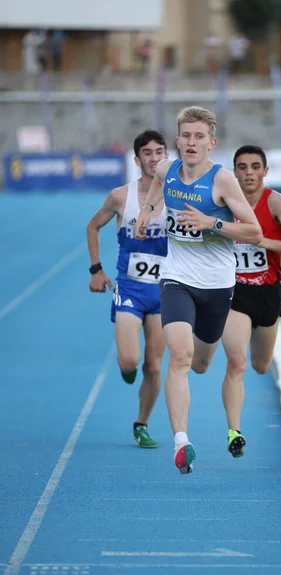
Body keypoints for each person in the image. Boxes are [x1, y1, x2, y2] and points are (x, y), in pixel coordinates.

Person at [134, 106, 262, 474]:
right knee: (180, 356)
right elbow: (156, 184)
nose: (191, 143)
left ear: (211, 143)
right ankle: (181, 442)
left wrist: (211, 222)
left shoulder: (222, 181)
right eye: (186, 136)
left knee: (203, 363)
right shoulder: (166, 168)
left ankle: (190, 426)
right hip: (176, 278)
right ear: (177, 141)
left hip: (218, 285)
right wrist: (147, 210)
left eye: (199, 137)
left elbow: (254, 232)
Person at [222, 145, 281, 458]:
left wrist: (261, 241)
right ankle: (234, 431)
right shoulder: (224, 201)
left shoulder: (275, 201)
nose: (248, 172)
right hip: (235, 293)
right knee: (237, 362)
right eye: (242, 167)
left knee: (260, 366)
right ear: (234, 171)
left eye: (255, 166)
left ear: (265, 171)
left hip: (268, 292)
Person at [86, 130, 168, 449]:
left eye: (159, 151)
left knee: (154, 365)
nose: (154, 157)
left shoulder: (178, 197)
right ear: (137, 160)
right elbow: (93, 226)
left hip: (165, 292)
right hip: (130, 290)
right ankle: (127, 368)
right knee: (130, 362)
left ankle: (142, 423)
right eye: (147, 153)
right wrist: (96, 269)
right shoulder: (121, 196)